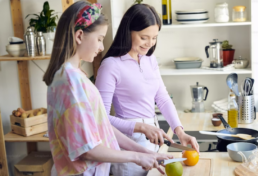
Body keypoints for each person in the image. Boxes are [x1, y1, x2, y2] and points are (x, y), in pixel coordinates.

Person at [43, 1, 172, 176]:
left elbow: (103, 126)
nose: (102, 47)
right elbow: (86, 149)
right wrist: (136, 157)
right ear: (79, 35)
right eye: (99, 39)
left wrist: (146, 153)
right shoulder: (70, 81)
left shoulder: (74, 76)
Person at [95, 4, 199, 176]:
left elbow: (163, 98)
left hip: (154, 140)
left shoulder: (149, 59)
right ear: (128, 31)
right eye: (144, 37)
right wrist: (141, 127)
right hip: (128, 144)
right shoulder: (111, 65)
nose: (150, 44)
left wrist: (180, 132)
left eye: (154, 38)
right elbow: (101, 119)